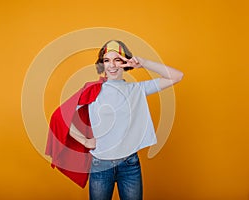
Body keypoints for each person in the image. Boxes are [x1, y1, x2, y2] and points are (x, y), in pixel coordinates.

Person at [67, 40, 184, 200]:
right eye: (107, 60)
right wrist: (85, 142)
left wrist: (144, 63)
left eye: (117, 60)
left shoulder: (137, 89)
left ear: (125, 62)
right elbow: (62, 117)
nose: (112, 65)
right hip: (101, 165)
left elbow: (177, 76)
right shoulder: (92, 91)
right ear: (102, 64)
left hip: (130, 165)